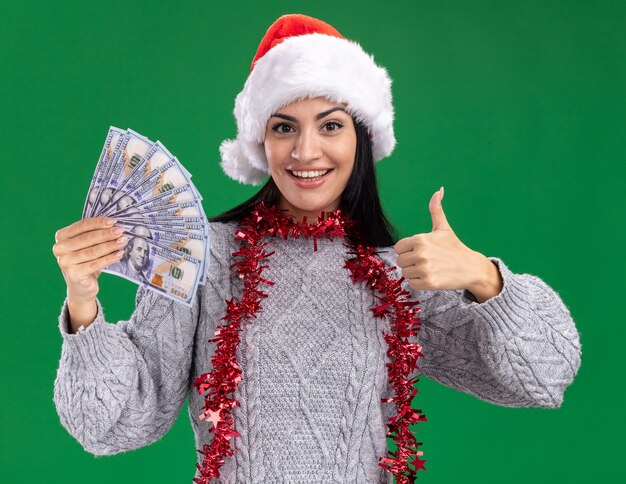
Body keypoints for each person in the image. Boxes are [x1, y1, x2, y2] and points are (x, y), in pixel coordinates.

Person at [52, 14, 582, 484]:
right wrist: (83, 301)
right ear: (261, 142)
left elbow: (546, 374)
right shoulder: (203, 257)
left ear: (362, 138)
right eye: (285, 127)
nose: (306, 151)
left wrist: (483, 276)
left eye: (330, 125)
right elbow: (118, 424)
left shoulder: (399, 277)